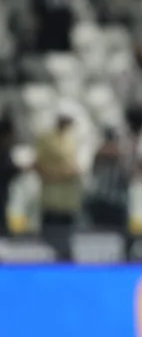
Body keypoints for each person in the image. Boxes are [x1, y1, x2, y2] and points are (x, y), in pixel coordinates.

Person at [35, 110, 82, 260]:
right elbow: (39, 165)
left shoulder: (70, 138)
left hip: (68, 200)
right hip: (52, 198)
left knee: (67, 240)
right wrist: (60, 174)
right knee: (51, 239)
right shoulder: (46, 139)